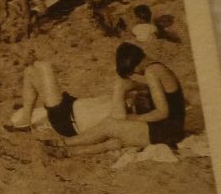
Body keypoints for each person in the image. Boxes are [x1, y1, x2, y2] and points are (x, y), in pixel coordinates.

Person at [57, 43, 188, 156]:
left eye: (131, 73)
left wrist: (132, 118)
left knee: (110, 125)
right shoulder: (157, 67)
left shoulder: (151, 72)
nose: (135, 75)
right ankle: (71, 152)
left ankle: (65, 143)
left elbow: (162, 112)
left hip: (167, 131)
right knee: (116, 137)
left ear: (133, 66)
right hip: (172, 129)